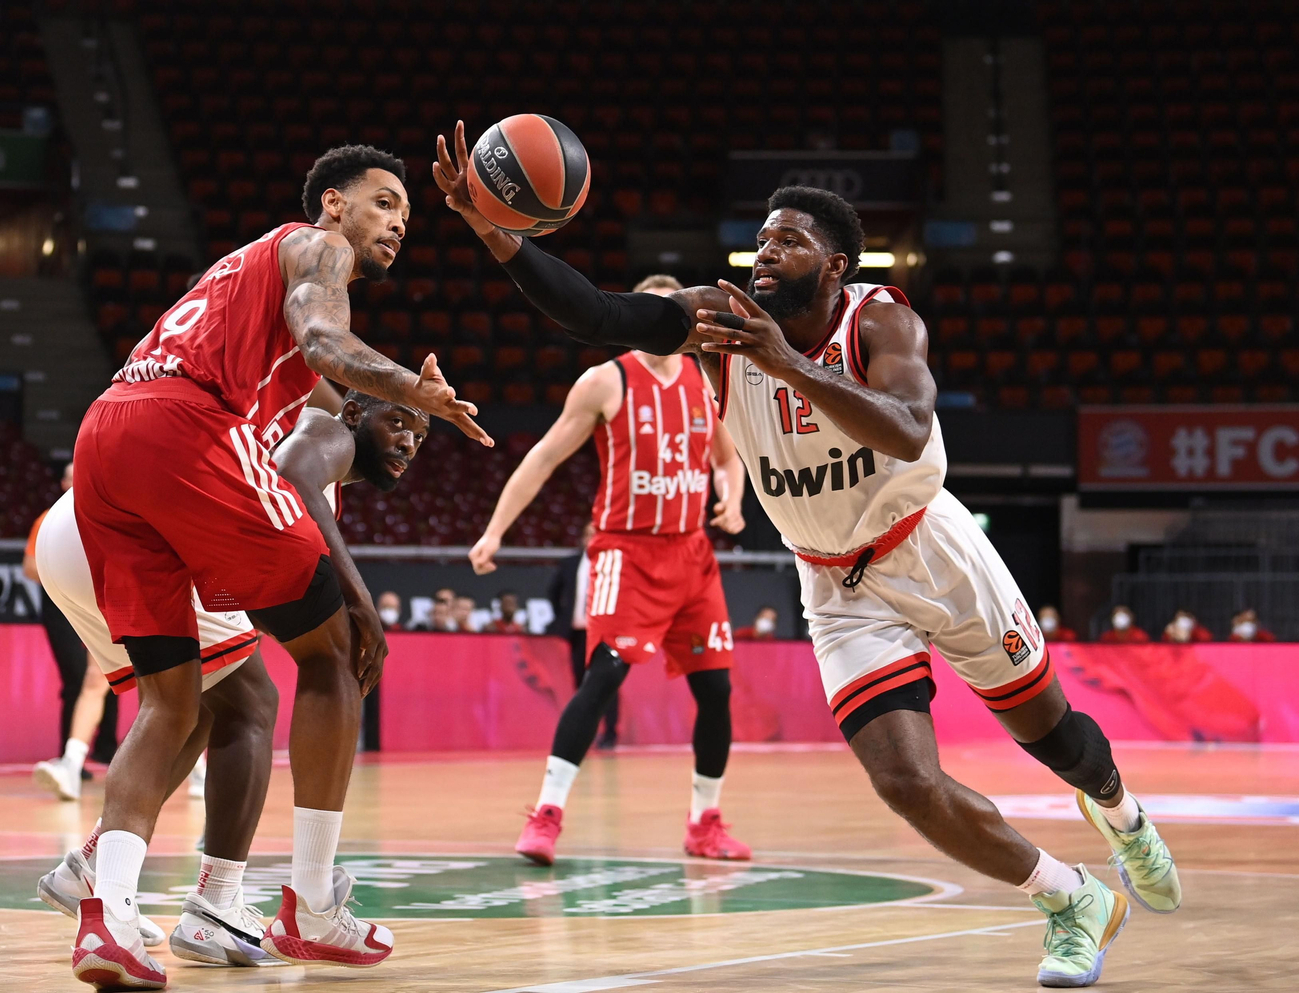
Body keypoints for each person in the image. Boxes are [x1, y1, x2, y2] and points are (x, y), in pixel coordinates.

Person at [437, 124, 1179, 987]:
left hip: (929, 549)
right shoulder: (719, 321)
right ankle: (1074, 900)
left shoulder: (883, 317)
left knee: (1055, 741)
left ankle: (1124, 816)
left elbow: (905, 430)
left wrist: (784, 362)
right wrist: (496, 231)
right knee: (904, 781)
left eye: (788, 240)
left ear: (836, 267)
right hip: (834, 581)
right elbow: (593, 312)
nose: (764, 250)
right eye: (761, 237)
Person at [67, 143, 486, 986]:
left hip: (105, 434)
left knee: (172, 701)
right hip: (182, 429)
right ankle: (313, 905)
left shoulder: (243, 277)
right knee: (338, 655)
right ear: (332, 203)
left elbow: (322, 380)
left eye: (407, 213)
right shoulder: (315, 247)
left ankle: (105, 917)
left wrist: (391, 405)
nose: (399, 221)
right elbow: (328, 338)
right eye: (384, 202)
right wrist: (415, 389)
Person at [37, 388, 428, 970]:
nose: (408, 442)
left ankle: (93, 867)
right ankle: (216, 904)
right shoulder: (327, 432)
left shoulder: (300, 437)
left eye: (420, 436)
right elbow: (293, 471)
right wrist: (357, 597)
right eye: (398, 423)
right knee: (251, 704)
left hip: (83, 522)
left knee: (187, 706)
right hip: (144, 517)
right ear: (356, 414)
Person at [467, 273, 751, 865]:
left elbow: (731, 459)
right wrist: (495, 530)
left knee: (717, 690)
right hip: (627, 552)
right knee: (602, 679)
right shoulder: (606, 381)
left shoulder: (706, 382)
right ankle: (547, 815)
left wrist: (732, 498)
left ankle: (706, 822)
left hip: (692, 554)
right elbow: (543, 457)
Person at [27, 462, 119, 798]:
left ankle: (199, 771)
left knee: (184, 688)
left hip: (142, 597)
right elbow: (32, 567)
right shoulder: (53, 520)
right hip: (92, 606)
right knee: (92, 681)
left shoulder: (117, 506)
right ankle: (71, 763)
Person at [546, 522, 620, 745]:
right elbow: (553, 592)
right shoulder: (570, 563)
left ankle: (610, 733)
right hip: (579, 632)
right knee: (581, 684)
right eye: (588, 534)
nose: (591, 538)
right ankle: (585, 733)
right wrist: (564, 618)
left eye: (596, 534)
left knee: (608, 683)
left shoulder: (616, 562)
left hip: (607, 634)